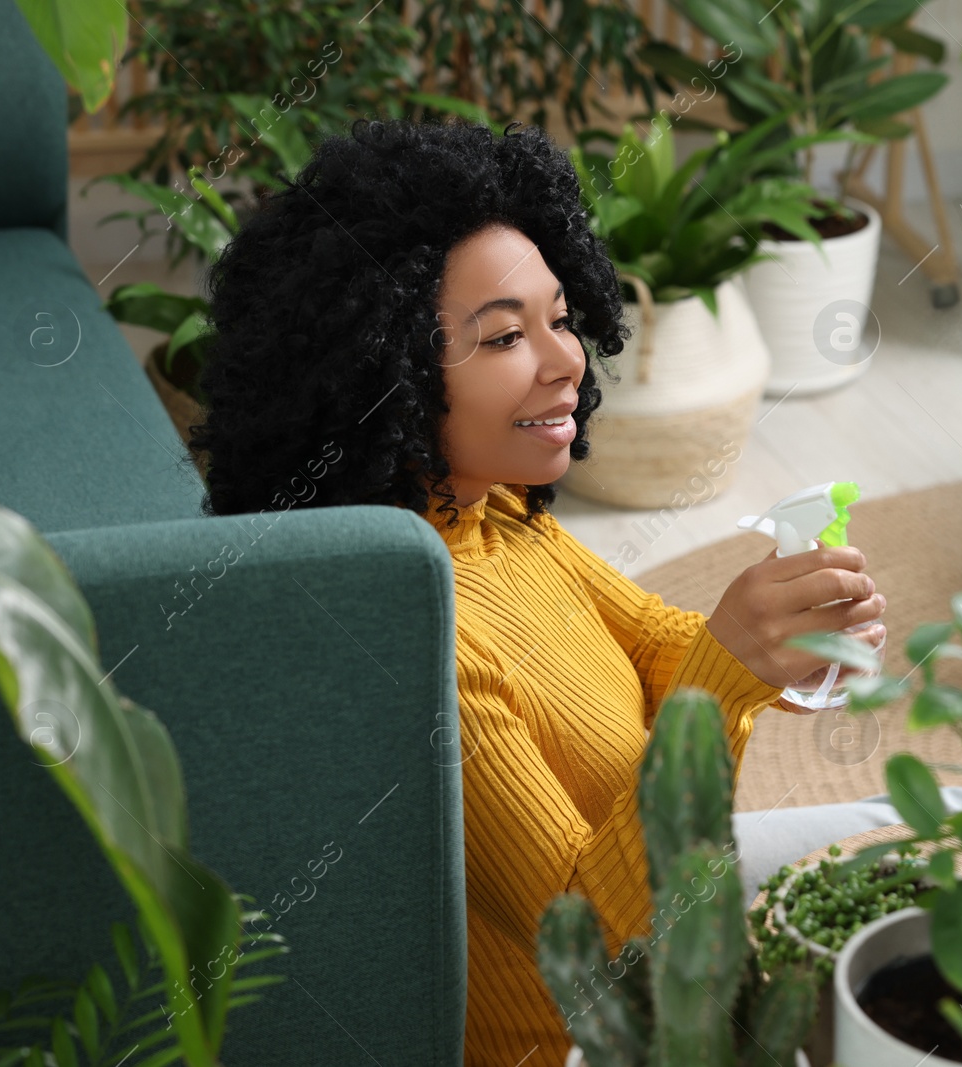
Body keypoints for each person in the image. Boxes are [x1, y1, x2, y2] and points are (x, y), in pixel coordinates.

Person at [189, 116, 888, 1066]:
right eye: (505, 336)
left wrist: (784, 642)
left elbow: (650, 642)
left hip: (676, 920)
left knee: (921, 829)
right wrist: (728, 675)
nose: (566, 360)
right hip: (586, 1038)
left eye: (560, 317)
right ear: (381, 372)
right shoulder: (408, 631)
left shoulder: (495, 514)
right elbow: (591, 939)